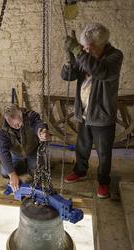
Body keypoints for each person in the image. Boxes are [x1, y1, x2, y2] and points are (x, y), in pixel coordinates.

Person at [61, 23, 123, 198]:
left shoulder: (115, 56)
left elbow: (101, 72)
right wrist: (68, 59)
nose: (86, 51)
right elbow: (67, 76)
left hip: (102, 115)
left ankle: (104, 182)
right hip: (84, 113)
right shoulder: (85, 56)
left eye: (89, 48)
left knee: (104, 153)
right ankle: (80, 171)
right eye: (84, 48)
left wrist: (79, 52)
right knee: (82, 146)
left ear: (101, 45)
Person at [0, 104, 50, 192]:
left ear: (21, 114)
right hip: (15, 153)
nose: (16, 125)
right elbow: (3, 151)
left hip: (32, 150)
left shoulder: (30, 115)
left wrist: (41, 130)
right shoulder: (0, 128)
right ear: (6, 119)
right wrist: (12, 174)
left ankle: (29, 165)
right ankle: (24, 166)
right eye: (11, 123)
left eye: (18, 122)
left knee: (38, 173)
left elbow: (38, 123)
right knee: (5, 172)